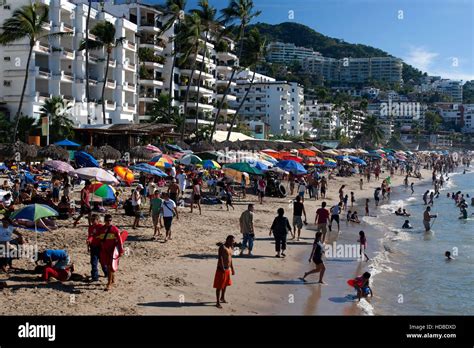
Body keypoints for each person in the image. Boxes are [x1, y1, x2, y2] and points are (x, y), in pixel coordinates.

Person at [97, 214, 124, 291]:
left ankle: (109, 284)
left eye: (110, 220)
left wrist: (121, 251)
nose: (109, 222)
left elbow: (120, 241)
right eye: (107, 220)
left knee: (109, 267)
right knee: (106, 265)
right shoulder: (101, 229)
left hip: (112, 252)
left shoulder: (115, 229)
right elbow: (98, 240)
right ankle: (112, 279)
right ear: (104, 221)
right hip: (104, 251)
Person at [214, 235, 235, 308]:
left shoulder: (230, 247)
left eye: (233, 241)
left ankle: (222, 298)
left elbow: (230, 259)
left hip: (227, 269)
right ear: (227, 240)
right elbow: (220, 258)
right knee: (219, 286)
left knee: (225, 284)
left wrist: (232, 268)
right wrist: (222, 268)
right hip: (221, 269)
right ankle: (217, 302)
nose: (232, 242)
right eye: (231, 241)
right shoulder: (222, 247)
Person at [87, 214, 108, 282]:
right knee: (94, 262)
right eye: (91, 220)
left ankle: (107, 273)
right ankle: (95, 277)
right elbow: (90, 236)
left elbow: (105, 235)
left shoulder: (101, 227)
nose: (92, 221)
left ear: (98, 220)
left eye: (94, 220)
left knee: (103, 262)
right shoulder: (90, 227)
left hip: (101, 247)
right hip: (93, 247)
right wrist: (89, 240)